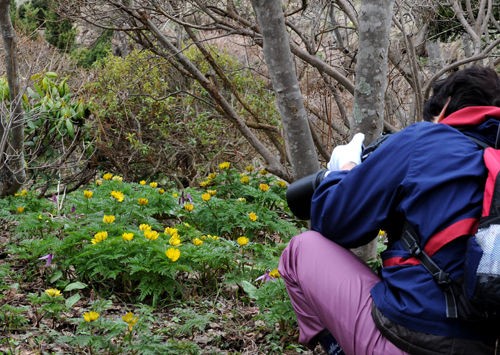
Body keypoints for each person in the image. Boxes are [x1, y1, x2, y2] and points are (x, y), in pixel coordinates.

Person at [279, 66, 500, 355]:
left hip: (410, 339)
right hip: (484, 346)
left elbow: (333, 222)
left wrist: (345, 169)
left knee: (300, 250)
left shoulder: (425, 140)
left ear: (446, 107)